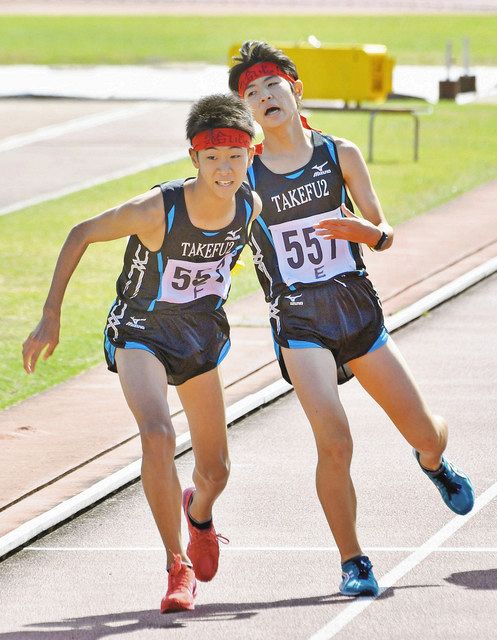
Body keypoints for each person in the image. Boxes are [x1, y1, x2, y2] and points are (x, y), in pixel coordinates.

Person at [229, 41, 474, 597]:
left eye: (272, 86)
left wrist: (368, 233)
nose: (264, 97)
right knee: (335, 440)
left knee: (426, 433)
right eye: (251, 93)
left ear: (296, 91)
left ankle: (432, 463)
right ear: (246, 111)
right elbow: (214, 232)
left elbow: (384, 231)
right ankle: (353, 560)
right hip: (299, 324)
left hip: (358, 314)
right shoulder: (245, 177)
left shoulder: (339, 154)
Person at [22, 93, 261, 613]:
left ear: (251, 156)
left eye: (235, 158)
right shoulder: (157, 209)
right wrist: (51, 315)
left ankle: (199, 517)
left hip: (198, 332)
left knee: (216, 471)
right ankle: (178, 566)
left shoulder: (250, 206)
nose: (224, 169)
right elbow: (81, 232)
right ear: (194, 158)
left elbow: (231, 260)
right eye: (213, 158)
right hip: (141, 327)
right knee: (158, 433)